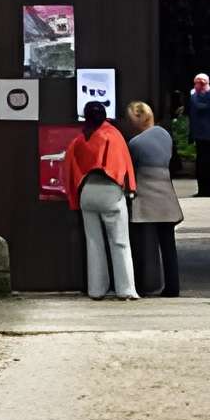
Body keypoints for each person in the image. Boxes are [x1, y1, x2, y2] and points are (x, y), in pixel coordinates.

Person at [59, 99, 140, 300]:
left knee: (93, 242)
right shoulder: (112, 134)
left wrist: (74, 198)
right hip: (110, 192)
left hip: (86, 194)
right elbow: (124, 164)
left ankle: (96, 290)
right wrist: (131, 189)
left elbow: (69, 168)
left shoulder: (79, 140)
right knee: (120, 242)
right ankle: (126, 289)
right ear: (105, 115)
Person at [122, 98, 183, 297]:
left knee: (140, 245)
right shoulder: (165, 135)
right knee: (168, 245)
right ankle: (172, 287)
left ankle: (141, 286)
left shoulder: (135, 143)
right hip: (166, 194)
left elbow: (130, 168)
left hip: (145, 197)